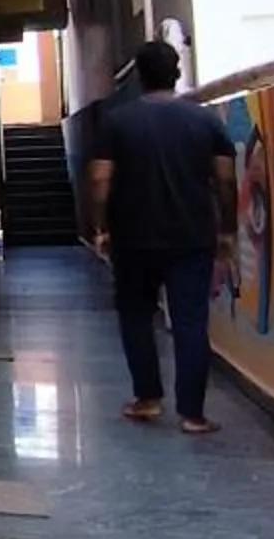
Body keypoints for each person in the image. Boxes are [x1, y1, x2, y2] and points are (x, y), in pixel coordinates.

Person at [86, 39, 238, 436]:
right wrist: (228, 230)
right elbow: (224, 180)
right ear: (177, 73)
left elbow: (100, 179)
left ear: (138, 75)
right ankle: (193, 414)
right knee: (191, 323)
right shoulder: (206, 121)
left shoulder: (117, 122)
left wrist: (100, 227)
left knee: (136, 317)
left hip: (133, 239)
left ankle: (148, 398)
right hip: (192, 238)